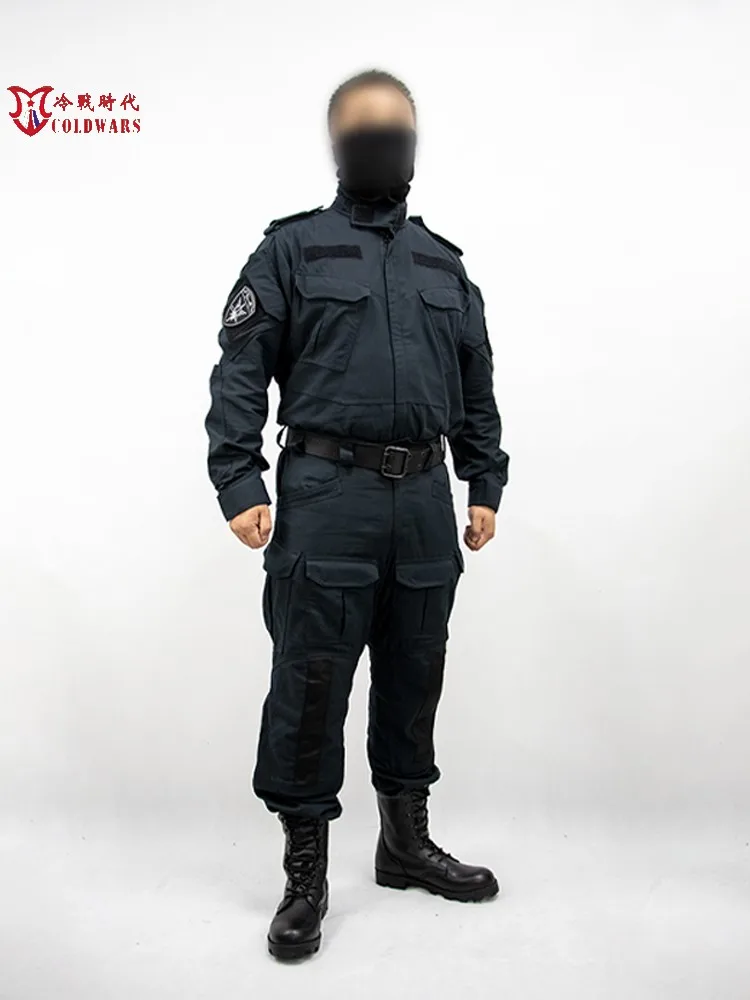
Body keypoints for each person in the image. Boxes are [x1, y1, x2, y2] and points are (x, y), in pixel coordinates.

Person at [205, 69, 509, 961]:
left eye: (397, 127)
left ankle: (404, 844)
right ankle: (305, 873)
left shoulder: (442, 263)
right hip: (325, 495)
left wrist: (483, 481)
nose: (384, 142)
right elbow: (239, 370)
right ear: (338, 143)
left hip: (424, 500)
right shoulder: (292, 250)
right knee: (311, 681)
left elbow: (476, 381)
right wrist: (239, 480)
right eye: (366, 128)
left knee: (416, 671)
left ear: (415, 140)